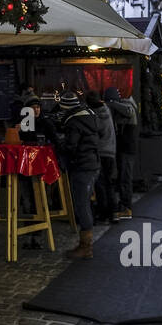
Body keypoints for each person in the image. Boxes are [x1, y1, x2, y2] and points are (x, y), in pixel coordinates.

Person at [53, 91, 105, 258]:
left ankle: (85, 247)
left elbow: (71, 147)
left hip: (82, 166)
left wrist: (59, 143)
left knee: (81, 204)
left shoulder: (73, 122)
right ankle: (86, 244)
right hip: (93, 163)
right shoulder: (91, 115)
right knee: (85, 202)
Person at [104, 87, 138, 220]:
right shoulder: (123, 106)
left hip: (127, 149)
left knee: (125, 178)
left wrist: (111, 103)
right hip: (124, 149)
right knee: (123, 178)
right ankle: (125, 205)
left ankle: (126, 208)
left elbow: (129, 112)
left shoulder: (127, 107)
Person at [85, 91, 119, 223]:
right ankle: (114, 212)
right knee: (109, 183)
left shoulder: (94, 115)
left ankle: (103, 213)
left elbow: (94, 133)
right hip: (110, 151)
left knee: (100, 184)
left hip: (100, 152)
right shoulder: (107, 111)